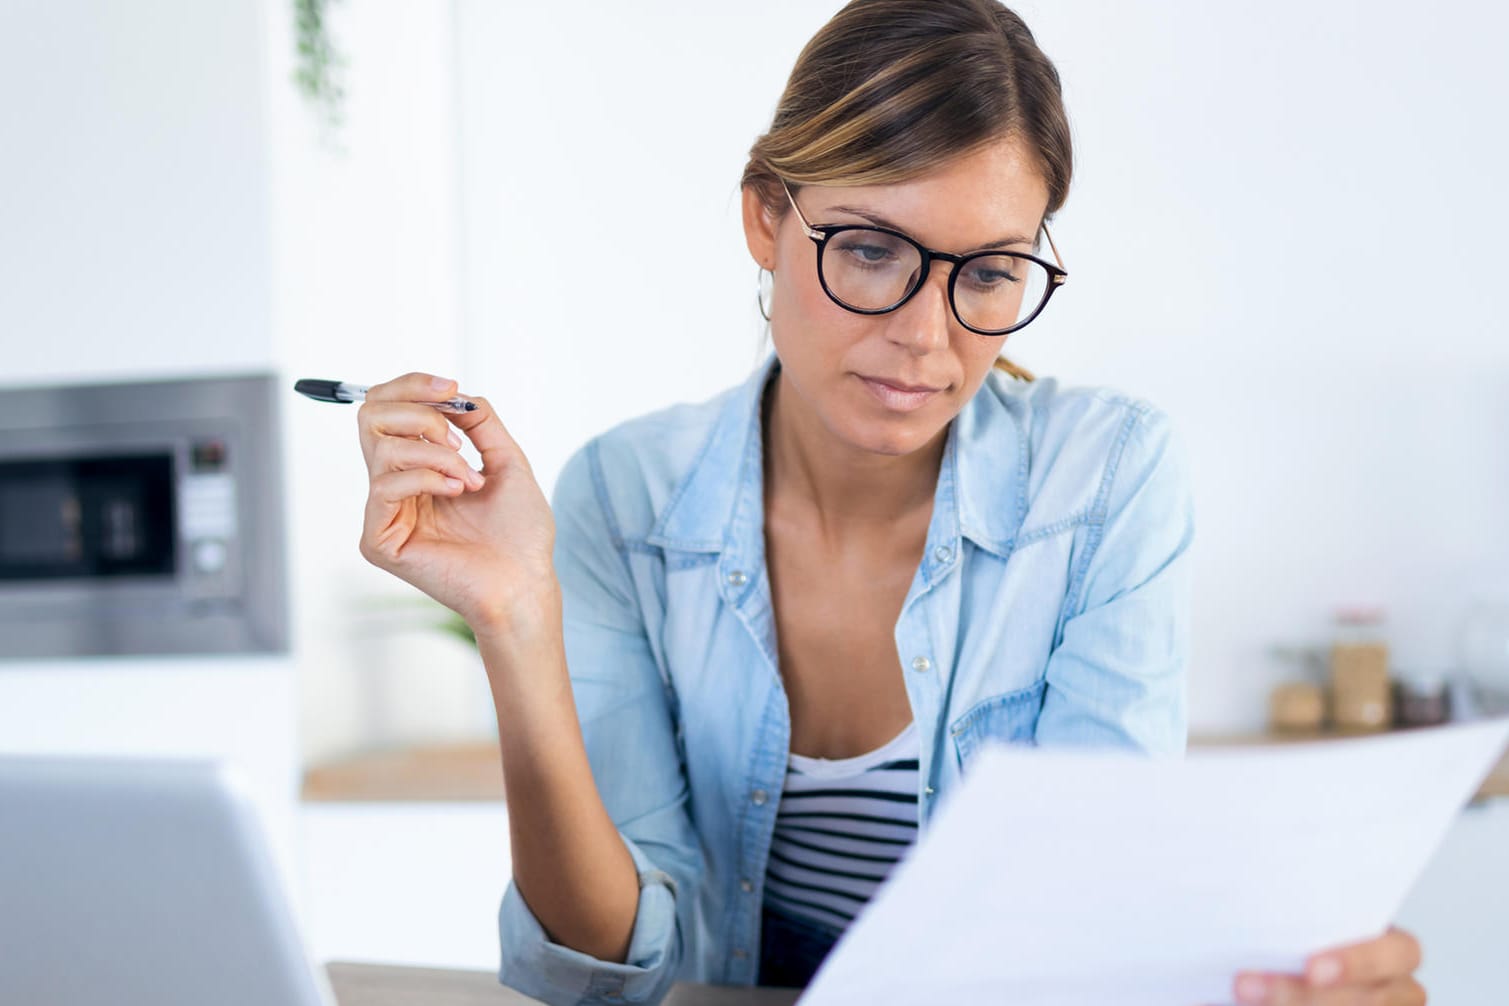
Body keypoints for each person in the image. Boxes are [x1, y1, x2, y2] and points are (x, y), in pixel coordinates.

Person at [354, 1, 1426, 1003]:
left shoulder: (1104, 482)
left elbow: (1093, 931)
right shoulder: (625, 497)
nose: (927, 336)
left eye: (992, 272)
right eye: (870, 251)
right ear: (765, 219)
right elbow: (616, 969)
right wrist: (514, 620)